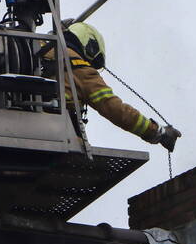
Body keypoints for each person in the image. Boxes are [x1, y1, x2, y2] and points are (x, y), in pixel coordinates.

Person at [44, 22, 182, 151]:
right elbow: (115, 109)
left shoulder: (38, 45)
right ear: (90, 45)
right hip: (50, 131)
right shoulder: (82, 70)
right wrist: (158, 132)